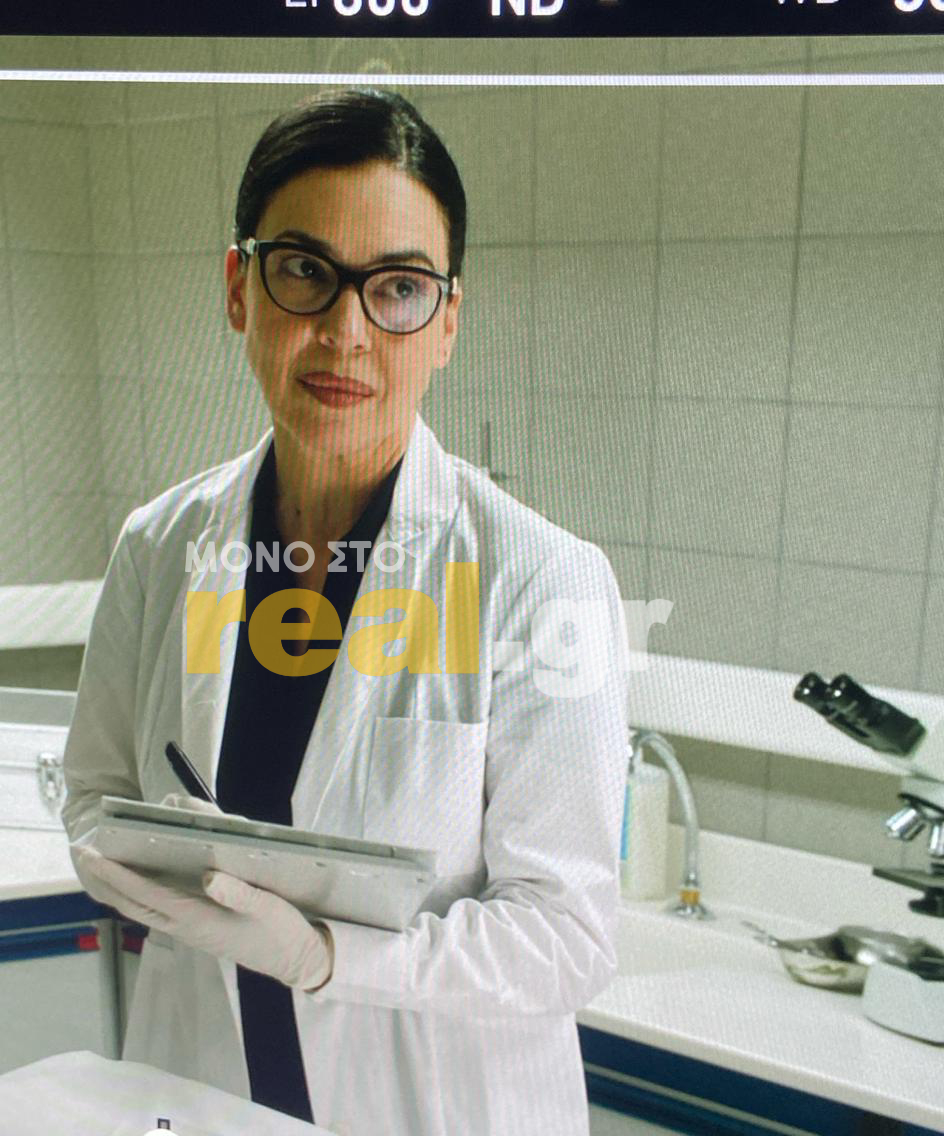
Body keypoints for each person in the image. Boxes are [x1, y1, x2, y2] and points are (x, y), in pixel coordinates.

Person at [62, 88, 629, 1136]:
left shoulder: (540, 579)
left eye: (398, 287)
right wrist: (150, 866)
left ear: (447, 321)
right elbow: (94, 796)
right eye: (305, 271)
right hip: (204, 1085)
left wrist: (329, 956)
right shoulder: (160, 546)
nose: (344, 332)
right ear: (239, 288)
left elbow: (567, 936)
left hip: (436, 1104)